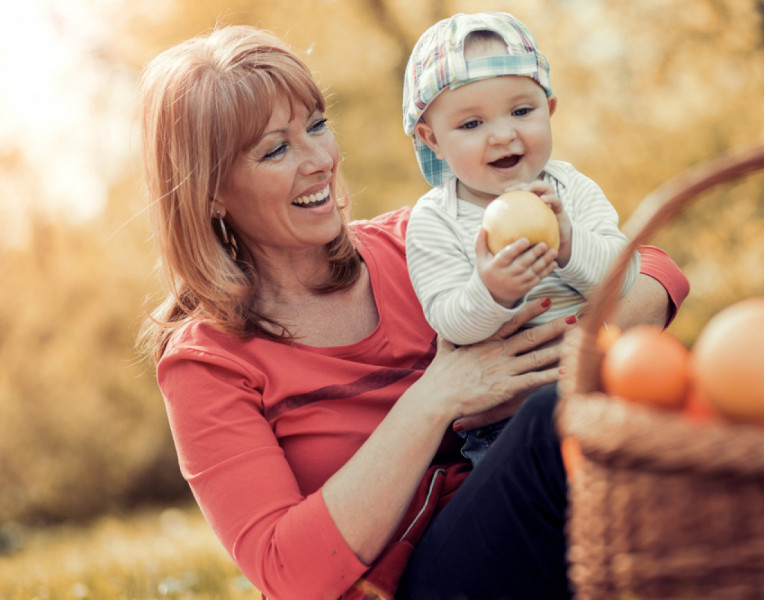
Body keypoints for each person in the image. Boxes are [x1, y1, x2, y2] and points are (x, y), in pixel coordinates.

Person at [137, 24, 689, 600]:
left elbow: (654, 270)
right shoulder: (206, 363)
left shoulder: (414, 243)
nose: (319, 160)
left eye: (318, 126)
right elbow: (288, 573)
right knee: (556, 422)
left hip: (532, 534)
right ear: (210, 192)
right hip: (403, 586)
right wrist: (438, 396)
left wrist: (574, 356)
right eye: (276, 148)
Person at [402, 12, 642, 464]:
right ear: (433, 140)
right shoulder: (436, 219)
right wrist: (492, 292)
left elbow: (626, 277)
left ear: (549, 109)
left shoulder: (572, 190)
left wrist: (569, 242)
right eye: (471, 124)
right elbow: (449, 321)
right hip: (506, 422)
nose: (502, 134)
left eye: (521, 111)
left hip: (603, 385)